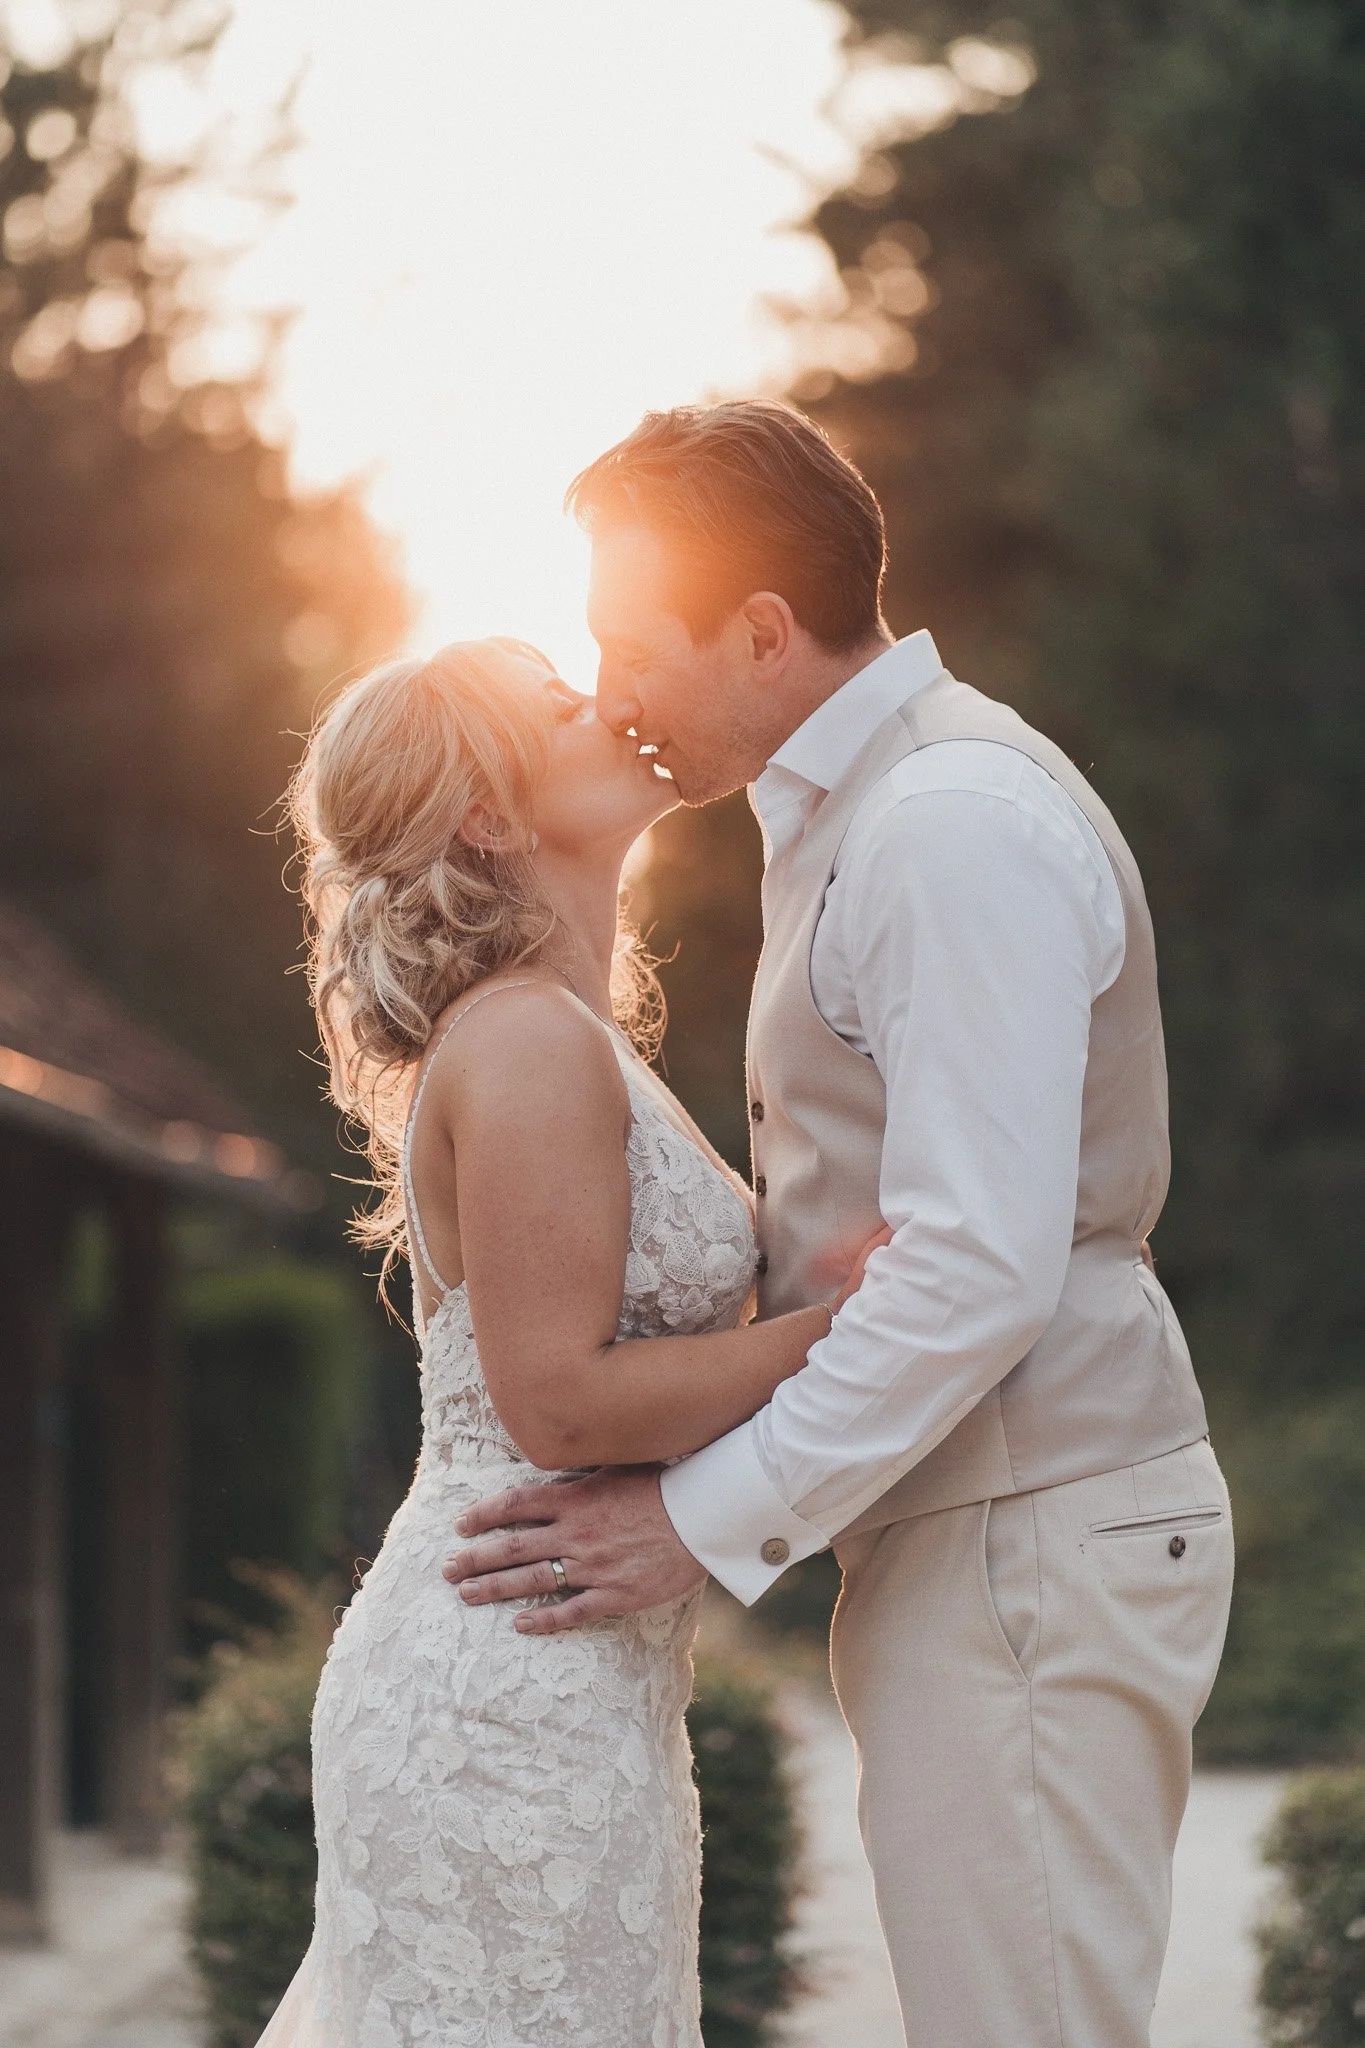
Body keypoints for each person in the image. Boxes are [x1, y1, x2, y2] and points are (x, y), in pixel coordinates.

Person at [446, 402, 1237, 2047]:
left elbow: (979, 1266)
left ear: (758, 629)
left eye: (625, 643)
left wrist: (702, 1520)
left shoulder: (944, 823)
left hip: (1032, 1529)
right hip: (985, 1532)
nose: (610, 696)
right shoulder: (855, 818)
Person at [259, 635, 879, 2048]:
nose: (608, 705)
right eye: (560, 705)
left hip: (572, 1670)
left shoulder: (569, 1030)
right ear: (485, 810)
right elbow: (565, 1408)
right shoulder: (527, 1037)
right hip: (503, 1686)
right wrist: (844, 1332)